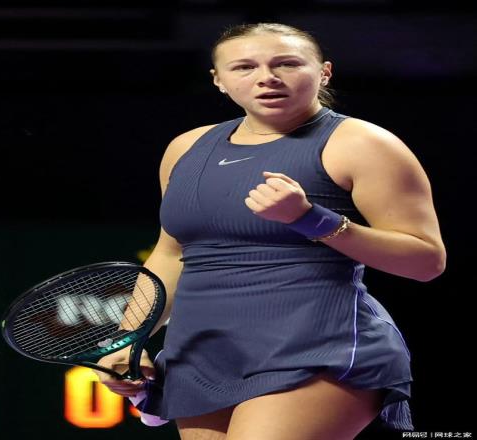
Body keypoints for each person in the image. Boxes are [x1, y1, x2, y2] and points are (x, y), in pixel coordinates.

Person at [94, 23, 446, 440]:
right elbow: (171, 255)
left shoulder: (363, 144)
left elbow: (425, 261)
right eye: (244, 67)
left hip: (316, 350)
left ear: (324, 72)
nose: (267, 77)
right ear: (219, 80)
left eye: (287, 64)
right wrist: (126, 341)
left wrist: (312, 219)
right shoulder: (186, 148)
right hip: (201, 356)